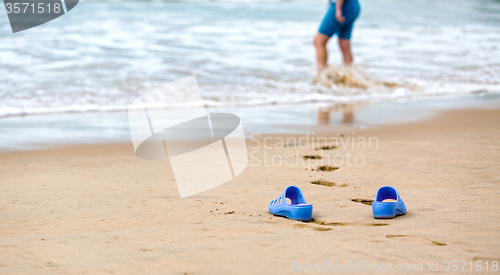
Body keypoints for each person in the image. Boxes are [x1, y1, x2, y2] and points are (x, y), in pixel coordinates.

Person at [313, 0, 361, 73]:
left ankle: (322, 75)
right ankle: (350, 74)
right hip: (353, 5)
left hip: (342, 5)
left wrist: (338, 9)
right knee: (344, 44)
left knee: (319, 41)